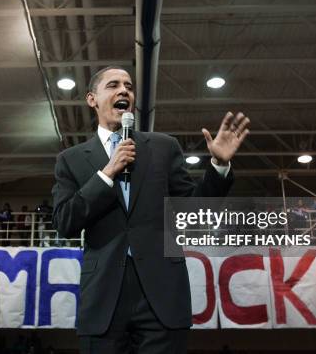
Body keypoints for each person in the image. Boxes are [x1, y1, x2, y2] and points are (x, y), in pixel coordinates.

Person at [52, 66, 249, 353]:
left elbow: (193, 213)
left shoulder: (163, 147)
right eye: (114, 85)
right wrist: (107, 174)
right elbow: (64, 222)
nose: (124, 91)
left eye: (129, 87)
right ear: (92, 99)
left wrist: (218, 166)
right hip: (104, 296)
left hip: (162, 295)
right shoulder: (70, 160)